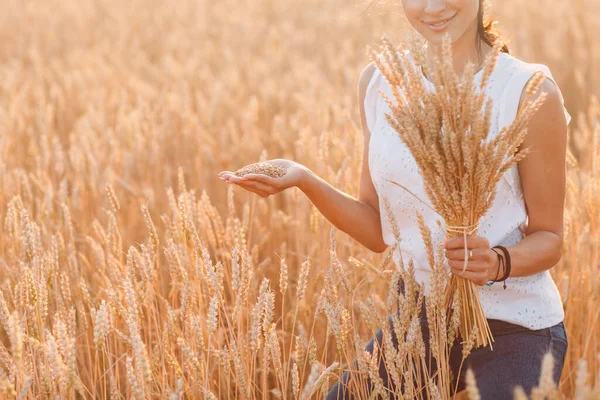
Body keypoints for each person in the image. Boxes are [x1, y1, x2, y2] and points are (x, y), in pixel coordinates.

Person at [217, 0, 571, 398]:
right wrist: (304, 179)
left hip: (516, 327)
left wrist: (497, 262)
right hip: (418, 323)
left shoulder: (529, 90)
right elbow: (376, 229)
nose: (432, 6)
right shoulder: (379, 82)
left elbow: (550, 238)